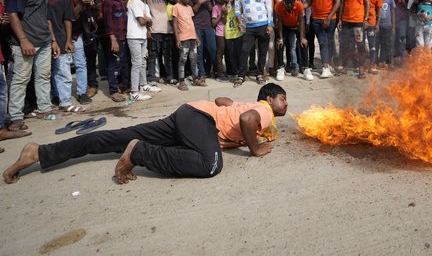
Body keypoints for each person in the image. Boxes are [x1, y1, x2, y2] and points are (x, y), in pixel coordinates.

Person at [3, 83, 288, 184]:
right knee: (209, 165)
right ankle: (139, 152)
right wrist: (254, 148)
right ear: (272, 97)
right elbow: (247, 118)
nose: (285, 104)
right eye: (283, 99)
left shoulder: (250, 103)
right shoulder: (262, 109)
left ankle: (41, 152)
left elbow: (222, 102)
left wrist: (230, 111)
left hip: (189, 114)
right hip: (199, 121)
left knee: (118, 136)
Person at [5, 0, 53, 130]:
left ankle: (44, 108)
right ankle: (16, 116)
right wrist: (23, 40)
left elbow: (45, 16)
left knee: (43, 76)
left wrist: (52, 39)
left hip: (44, 40)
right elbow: (13, 15)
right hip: (25, 42)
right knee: (21, 78)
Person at [43, 0, 82, 113]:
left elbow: (68, 20)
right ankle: (52, 101)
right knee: (45, 74)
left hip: (60, 39)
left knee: (63, 72)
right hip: (42, 41)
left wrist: (68, 40)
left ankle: (65, 101)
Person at [234, 0, 274, 87]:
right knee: (244, 51)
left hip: (263, 25)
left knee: (262, 52)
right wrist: (240, 22)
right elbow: (237, 9)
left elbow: (269, 8)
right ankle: (241, 75)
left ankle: (259, 73)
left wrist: (270, 24)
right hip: (248, 27)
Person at [306, 0, 340, 78]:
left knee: (328, 41)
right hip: (316, 19)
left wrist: (329, 17)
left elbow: (337, 2)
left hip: (331, 19)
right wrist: (299, 6)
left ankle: (328, 64)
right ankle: (325, 67)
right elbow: (309, 3)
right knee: (323, 41)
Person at [127, 0, 160, 101]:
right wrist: (146, 19)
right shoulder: (135, 3)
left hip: (142, 35)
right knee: (136, 64)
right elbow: (142, 21)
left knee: (142, 62)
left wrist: (146, 19)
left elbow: (150, 21)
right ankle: (134, 91)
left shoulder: (145, 5)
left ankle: (144, 85)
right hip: (134, 36)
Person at [338, 0, 370, 79]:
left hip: (358, 21)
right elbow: (341, 4)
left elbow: (367, 3)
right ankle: (346, 66)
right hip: (346, 21)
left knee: (360, 45)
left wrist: (366, 19)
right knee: (346, 45)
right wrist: (340, 19)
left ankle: (361, 67)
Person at [103, 0, 130, 102]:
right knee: (115, 64)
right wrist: (113, 39)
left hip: (124, 36)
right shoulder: (109, 2)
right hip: (115, 38)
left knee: (124, 63)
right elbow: (108, 22)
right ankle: (113, 90)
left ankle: (125, 86)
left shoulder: (121, 0)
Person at [275, 0, 312, 81]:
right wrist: (280, 38)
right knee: (279, 44)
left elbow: (301, 21)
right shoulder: (278, 6)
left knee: (304, 44)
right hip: (284, 26)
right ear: (283, 0)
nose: (289, 5)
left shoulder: (299, 5)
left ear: (295, 0)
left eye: (291, 3)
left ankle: (305, 68)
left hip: (296, 25)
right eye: (286, 3)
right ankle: (281, 68)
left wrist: (302, 37)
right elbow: (279, 22)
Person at [173, 0, 200, 91]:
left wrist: (196, 36)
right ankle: (181, 81)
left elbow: (191, 22)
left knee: (193, 58)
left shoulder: (189, 8)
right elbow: (174, 24)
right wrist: (177, 39)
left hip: (192, 36)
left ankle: (195, 78)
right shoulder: (176, 7)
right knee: (183, 59)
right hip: (183, 37)